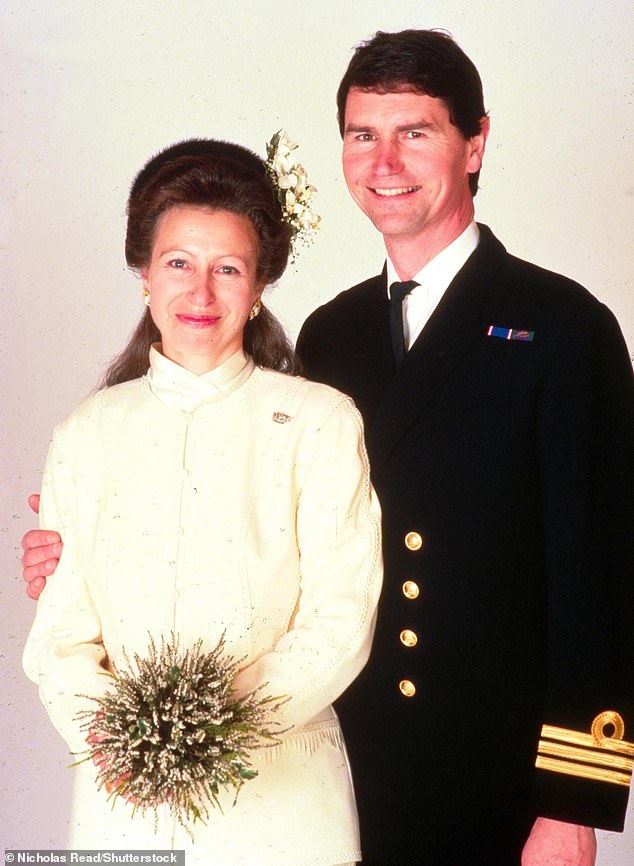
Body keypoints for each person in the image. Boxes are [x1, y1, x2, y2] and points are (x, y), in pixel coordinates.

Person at [21, 28, 634, 866]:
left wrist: (574, 802)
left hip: (492, 767)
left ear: (475, 142)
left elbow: (599, 575)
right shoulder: (332, 330)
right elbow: (242, 497)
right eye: (362, 134)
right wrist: (88, 533)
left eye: (415, 132)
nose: (385, 160)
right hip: (337, 755)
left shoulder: (564, 327)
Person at [22, 137, 382, 866]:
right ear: (145, 276)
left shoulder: (320, 421)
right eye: (179, 264)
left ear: (257, 291)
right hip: (122, 809)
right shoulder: (85, 434)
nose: (201, 292)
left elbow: (341, 616)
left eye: (229, 270)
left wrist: (213, 732)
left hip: (287, 811)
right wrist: (125, 746)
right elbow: (62, 638)